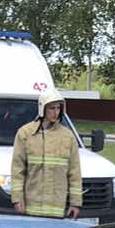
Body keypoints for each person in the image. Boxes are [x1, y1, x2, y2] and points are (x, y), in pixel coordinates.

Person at [10, 87, 81, 219]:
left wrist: (75, 203)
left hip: (58, 209)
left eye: (58, 108)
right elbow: (17, 170)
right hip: (32, 207)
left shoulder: (68, 136)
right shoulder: (26, 133)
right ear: (42, 108)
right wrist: (17, 199)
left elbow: (74, 172)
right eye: (51, 108)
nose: (55, 112)